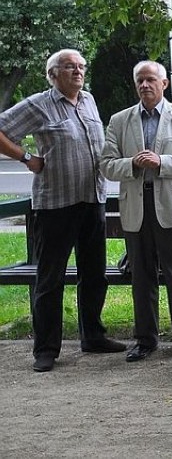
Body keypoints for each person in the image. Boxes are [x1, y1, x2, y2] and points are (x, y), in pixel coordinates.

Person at [0, 49, 125, 372]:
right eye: (70, 67)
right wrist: (27, 158)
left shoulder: (89, 101)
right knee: (50, 279)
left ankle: (93, 335)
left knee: (94, 274)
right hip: (56, 205)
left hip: (92, 199)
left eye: (81, 66)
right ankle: (46, 349)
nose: (78, 71)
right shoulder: (39, 104)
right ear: (53, 74)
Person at [100, 61, 172, 362]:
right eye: (140, 81)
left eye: (150, 80)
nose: (145, 85)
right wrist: (132, 163)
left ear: (164, 84)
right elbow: (107, 164)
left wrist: (162, 162)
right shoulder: (120, 121)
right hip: (136, 205)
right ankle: (145, 340)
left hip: (171, 205)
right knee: (141, 276)